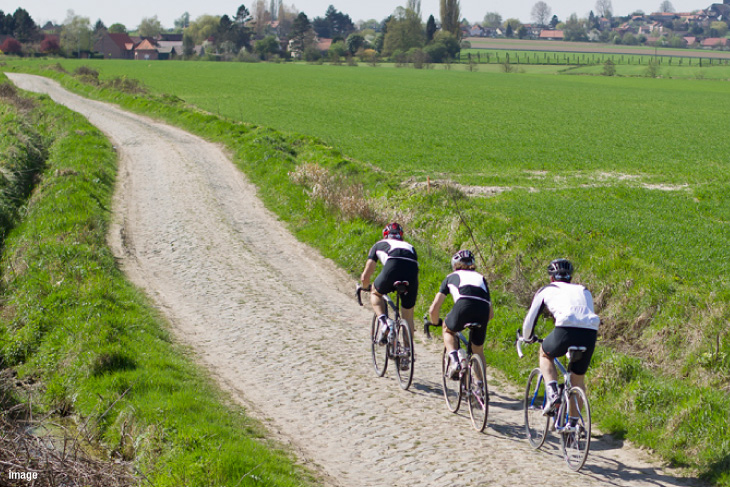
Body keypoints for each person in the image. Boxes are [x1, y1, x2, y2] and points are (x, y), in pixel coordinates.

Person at [522, 258, 600, 424]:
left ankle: (552, 393)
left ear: (551, 277)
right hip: (590, 333)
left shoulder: (547, 289)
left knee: (545, 354)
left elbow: (530, 319)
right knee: (577, 379)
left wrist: (527, 337)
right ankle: (572, 425)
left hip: (566, 328)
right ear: (570, 277)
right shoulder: (584, 290)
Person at [428, 250, 493, 381]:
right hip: (483, 310)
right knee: (478, 350)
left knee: (448, 329)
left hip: (463, 305)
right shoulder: (481, 278)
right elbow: (490, 314)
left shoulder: (451, 277)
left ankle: (455, 361)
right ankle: (480, 387)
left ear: (455, 265)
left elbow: (434, 308)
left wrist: (435, 322)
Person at [360, 222, 419, 346]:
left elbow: (366, 276)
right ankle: (407, 352)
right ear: (401, 235)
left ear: (385, 235)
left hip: (392, 266)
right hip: (412, 271)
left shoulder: (378, 245)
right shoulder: (410, 246)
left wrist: (366, 287)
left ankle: (385, 322)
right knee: (408, 316)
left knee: (376, 293)